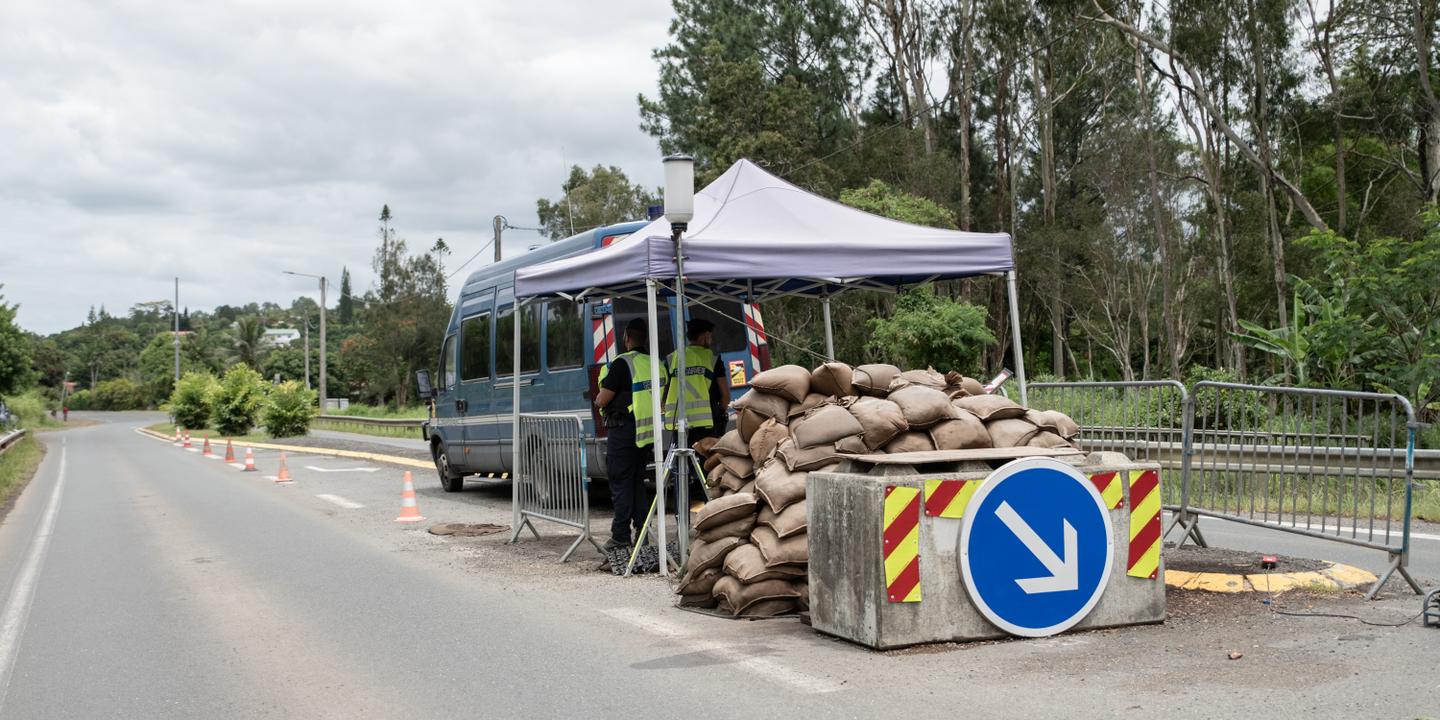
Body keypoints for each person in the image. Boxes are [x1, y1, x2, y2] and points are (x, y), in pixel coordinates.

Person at [594, 318, 658, 559]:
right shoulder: (655, 363)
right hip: (646, 433)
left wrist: (599, 398)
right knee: (636, 484)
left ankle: (620, 536)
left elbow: (602, 399)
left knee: (621, 483)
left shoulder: (622, 364)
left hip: (623, 430)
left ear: (626, 338)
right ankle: (642, 534)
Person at [661, 317, 730, 447]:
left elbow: (664, 390)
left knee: (683, 463)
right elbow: (725, 395)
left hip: (678, 421)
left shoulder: (672, 358)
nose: (711, 340)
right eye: (710, 337)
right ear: (706, 335)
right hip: (706, 422)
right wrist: (720, 412)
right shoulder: (712, 358)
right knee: (706, 464)